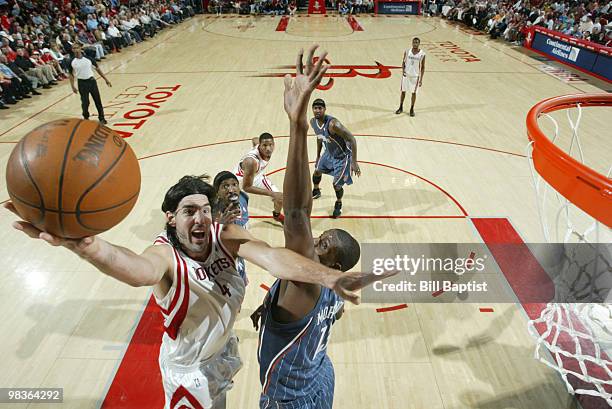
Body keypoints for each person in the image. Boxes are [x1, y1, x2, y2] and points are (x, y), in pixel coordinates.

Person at [254, 46, 389, 409]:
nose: (316, 239)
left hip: (290, 399)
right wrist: (270, 307)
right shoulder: (332, 293)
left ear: (333, 268)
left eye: (323, 244)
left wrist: (295, 126)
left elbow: (297, 212)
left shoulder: (310, 283)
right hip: (320, 375)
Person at [310, 98, 361, 218]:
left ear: (324, 109)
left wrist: (354, 161)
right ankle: (316, 190)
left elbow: (352, 139)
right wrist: (318, 156)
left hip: (341, 157)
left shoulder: (334, 125)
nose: (317, 110)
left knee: (336, 185)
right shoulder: (313, 122)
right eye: (315, 108)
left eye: (320, 108)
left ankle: (339, 203)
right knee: (317, 171)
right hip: (328, 153)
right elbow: (319, 137)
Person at [232, 132, 284, 223]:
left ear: (274, 144)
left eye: (270, 145)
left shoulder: (259, 144)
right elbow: (246, 187)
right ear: (260, 145)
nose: (268, 148)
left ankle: (277, 215)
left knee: (280, 198)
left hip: (256, 175)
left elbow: (254, 139)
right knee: (236, 212)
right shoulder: (251, 161)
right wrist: (272, 194)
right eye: (264, 145)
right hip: (240, 181)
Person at [213, 170, 250, 284]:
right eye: (225, 186)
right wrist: (219, 227)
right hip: (222, 266)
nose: (231, 190)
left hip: (238, 257)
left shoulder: (243, 198)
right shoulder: (214, 215)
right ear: (217, 192)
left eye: (234, 184)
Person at [68, 44, 111, 124]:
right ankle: (86, 116)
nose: (76, 50)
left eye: (77, 48)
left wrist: (106, 79)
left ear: (80, 49)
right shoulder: (71, 61)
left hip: (92, 82)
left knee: (97, 100)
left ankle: (102, 118)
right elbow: (70, 74)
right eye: (74, 48)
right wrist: (72, 86)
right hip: (82, 83)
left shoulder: (89, 59)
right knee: (85, 102)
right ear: (72, 50)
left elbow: (98, 69)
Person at [396, 37, 425, 117]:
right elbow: (403, 62)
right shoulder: (407, 51)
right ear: (412, 43)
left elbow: (423, 67)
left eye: (417, 42)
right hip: (406, 75)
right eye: (414, 42)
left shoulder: (422, 54)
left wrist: (421, 79)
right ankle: (400, 107)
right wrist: (403, 71)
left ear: (419, 44)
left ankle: (412, 109)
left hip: (415, 76)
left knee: (414, 93)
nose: (415, 44)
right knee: (403, 91)